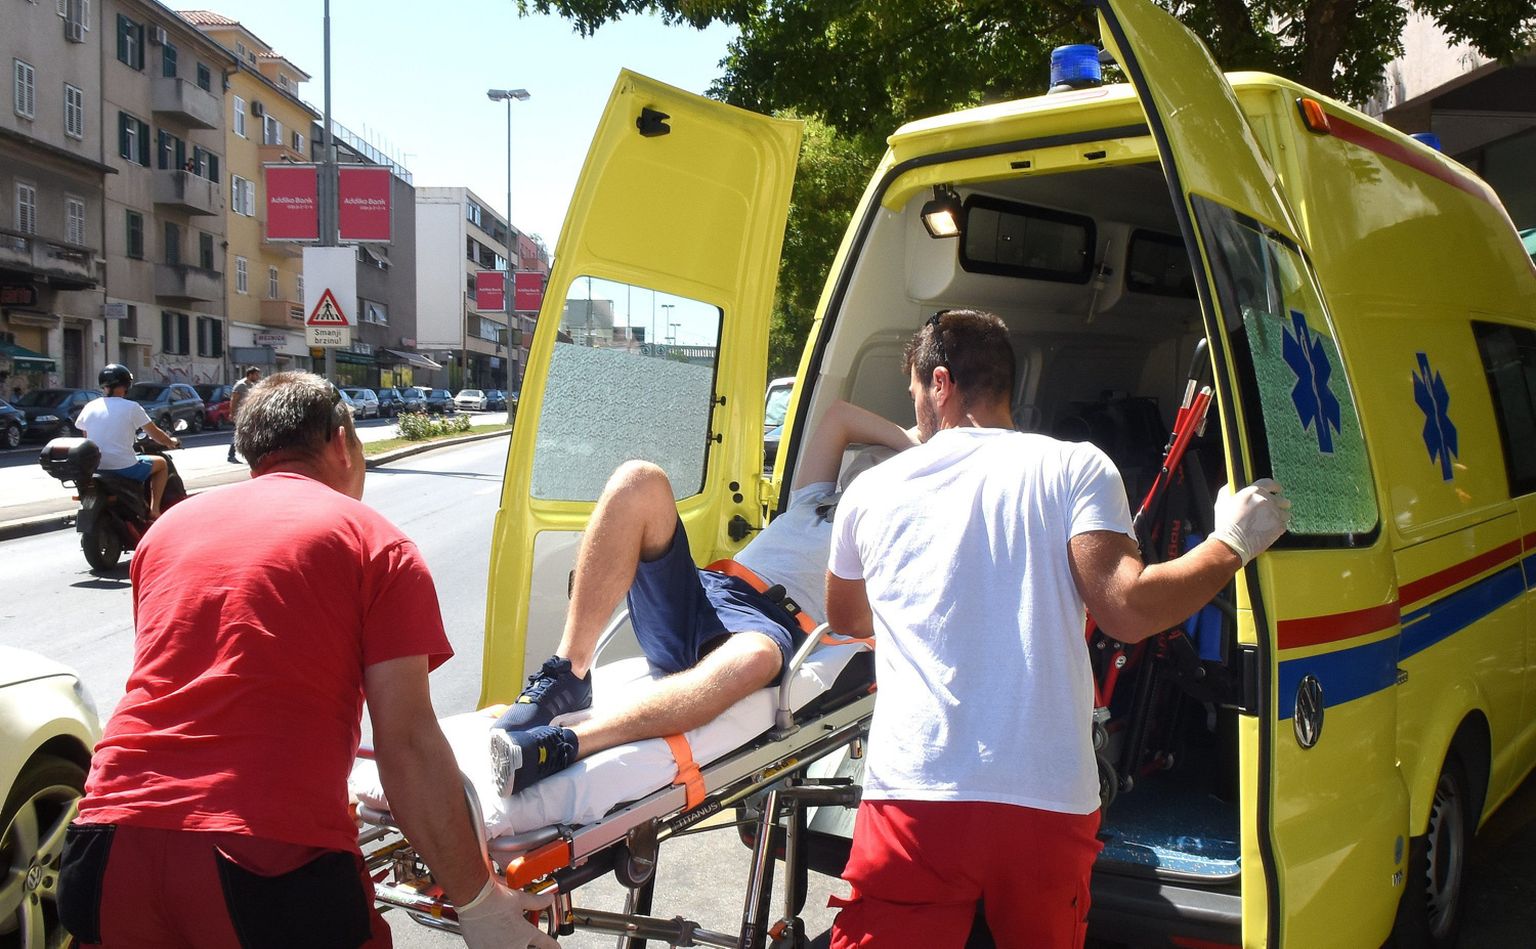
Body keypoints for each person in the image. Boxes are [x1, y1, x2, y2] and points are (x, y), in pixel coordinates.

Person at [823, 310, 1292, 949]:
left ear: (941, 383)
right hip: (1043, 797)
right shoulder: (1076, 468)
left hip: (914, 796)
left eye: (914, 394)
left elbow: (846, 618)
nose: (915, 414)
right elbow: (1128, 610)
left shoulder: (871, 489)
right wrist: (1232, 541)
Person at [58, 372, 554, 949]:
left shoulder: (165, 532)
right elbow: (408, 745)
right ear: (342, 442)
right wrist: (479, 902)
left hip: (105, 847)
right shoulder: (375, 543)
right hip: (262, 859)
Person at [488, 399, 918, 797]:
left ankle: (567, 743)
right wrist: (916, 445)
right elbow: (838, 416)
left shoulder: (888, 543)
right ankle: (568, 674)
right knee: (640, 480)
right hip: (709, 590)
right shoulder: (813, 500)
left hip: (767, 624)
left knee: (756, 657)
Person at [74, 364, 180, 520]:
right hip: (124, 467)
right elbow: (156, 435)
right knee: (162, 463)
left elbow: (87, 437)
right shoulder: (132, 407)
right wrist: (171, 442)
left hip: (95, 467)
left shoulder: (90, 406)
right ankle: (155, 510)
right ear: (127, 385)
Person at [227, 365, 260, 462]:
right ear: (250, 375)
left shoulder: (252, 385)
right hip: (240, 414)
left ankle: (253, 455)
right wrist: (232, 414)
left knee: (251, 434)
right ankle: (231, 455)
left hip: (249, 414)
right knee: (239, 434)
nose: (258, 377)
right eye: (256, 375)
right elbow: (233, 400)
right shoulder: (241, 385)